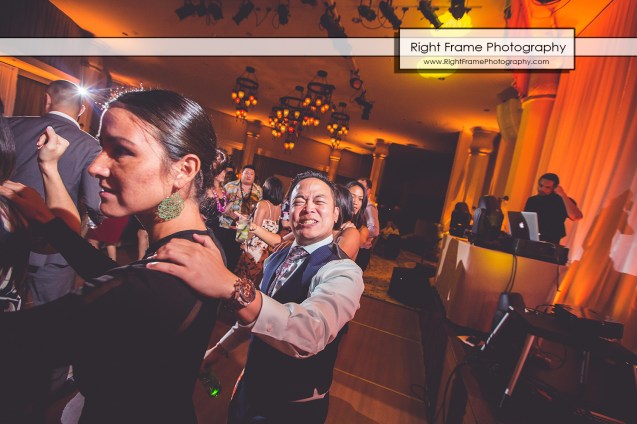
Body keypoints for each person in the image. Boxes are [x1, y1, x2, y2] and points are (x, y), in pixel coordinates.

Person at [0, 90, 224, 422]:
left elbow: (17, 340)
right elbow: (115, 277)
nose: (95, 166)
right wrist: (51, 224)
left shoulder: (154, 287)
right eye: (102, 147)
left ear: (184, 169)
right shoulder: (198, 243)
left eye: (121, 151)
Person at [147, 170, 364, 424]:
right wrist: (217, 351)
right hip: (249, 390)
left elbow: (310, 333)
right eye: (299, 201)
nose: (308, 208)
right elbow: (255, 318)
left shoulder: (343, 272)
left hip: (292, 408)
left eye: (319, 201)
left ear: (336, 213)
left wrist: (230, 285)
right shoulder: (277, 257)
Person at [8, 79, 102, 306]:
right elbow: (95, 203)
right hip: (55, 249)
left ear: (47, 99)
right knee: (50, 314)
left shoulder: (9, 125)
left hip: (7, 237)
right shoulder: (89, 145)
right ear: (82, 110)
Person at [235, 176, 283, 283]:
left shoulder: (263, 204)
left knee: (241, 280)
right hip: (265, 252)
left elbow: (254, 229)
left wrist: (243, 240)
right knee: (252, 282)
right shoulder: (278, 208)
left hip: (253, 249)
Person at [218, 164, 263, 270]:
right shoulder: (229, 186)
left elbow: (258, 210)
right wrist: (230, 213)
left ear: (254, 176)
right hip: (226, 224)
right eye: (246, 173)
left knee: (235, 257)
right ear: (241, 174)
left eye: (251, 174)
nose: (248, 176)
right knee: (221, 252)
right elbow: (220, 205)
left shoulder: (258, 190)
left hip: (243, 227)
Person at [524, 173, 583, 244]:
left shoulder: (561, 201)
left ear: (554, 188)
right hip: (531, 239)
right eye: (540, 185)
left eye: (547, 187)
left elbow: (576, 216)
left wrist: (563, 194)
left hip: (551, 242)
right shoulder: (532, 200)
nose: (542, 189)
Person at [200, 147, 229, 233]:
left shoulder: (223, 190)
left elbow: (222, 211)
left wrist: (232, 202)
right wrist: (197, 215)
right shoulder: (203, 188)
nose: (224, 173)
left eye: (224, 170)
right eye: (221, 170)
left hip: (217, 231)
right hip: (202, 229)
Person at [356, 177, 380, 271]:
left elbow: (375, 230)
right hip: (356, 248)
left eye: (361, 187)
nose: (358, 189)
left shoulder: (369, 207)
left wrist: (358, 235)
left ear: (368, 191)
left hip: (362, 250)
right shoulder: (359, 205)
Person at [346, 181, 371, 269]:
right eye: (352, 197)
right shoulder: (332, 220)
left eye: (360, 199)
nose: (355, 202)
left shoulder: (362, 229)